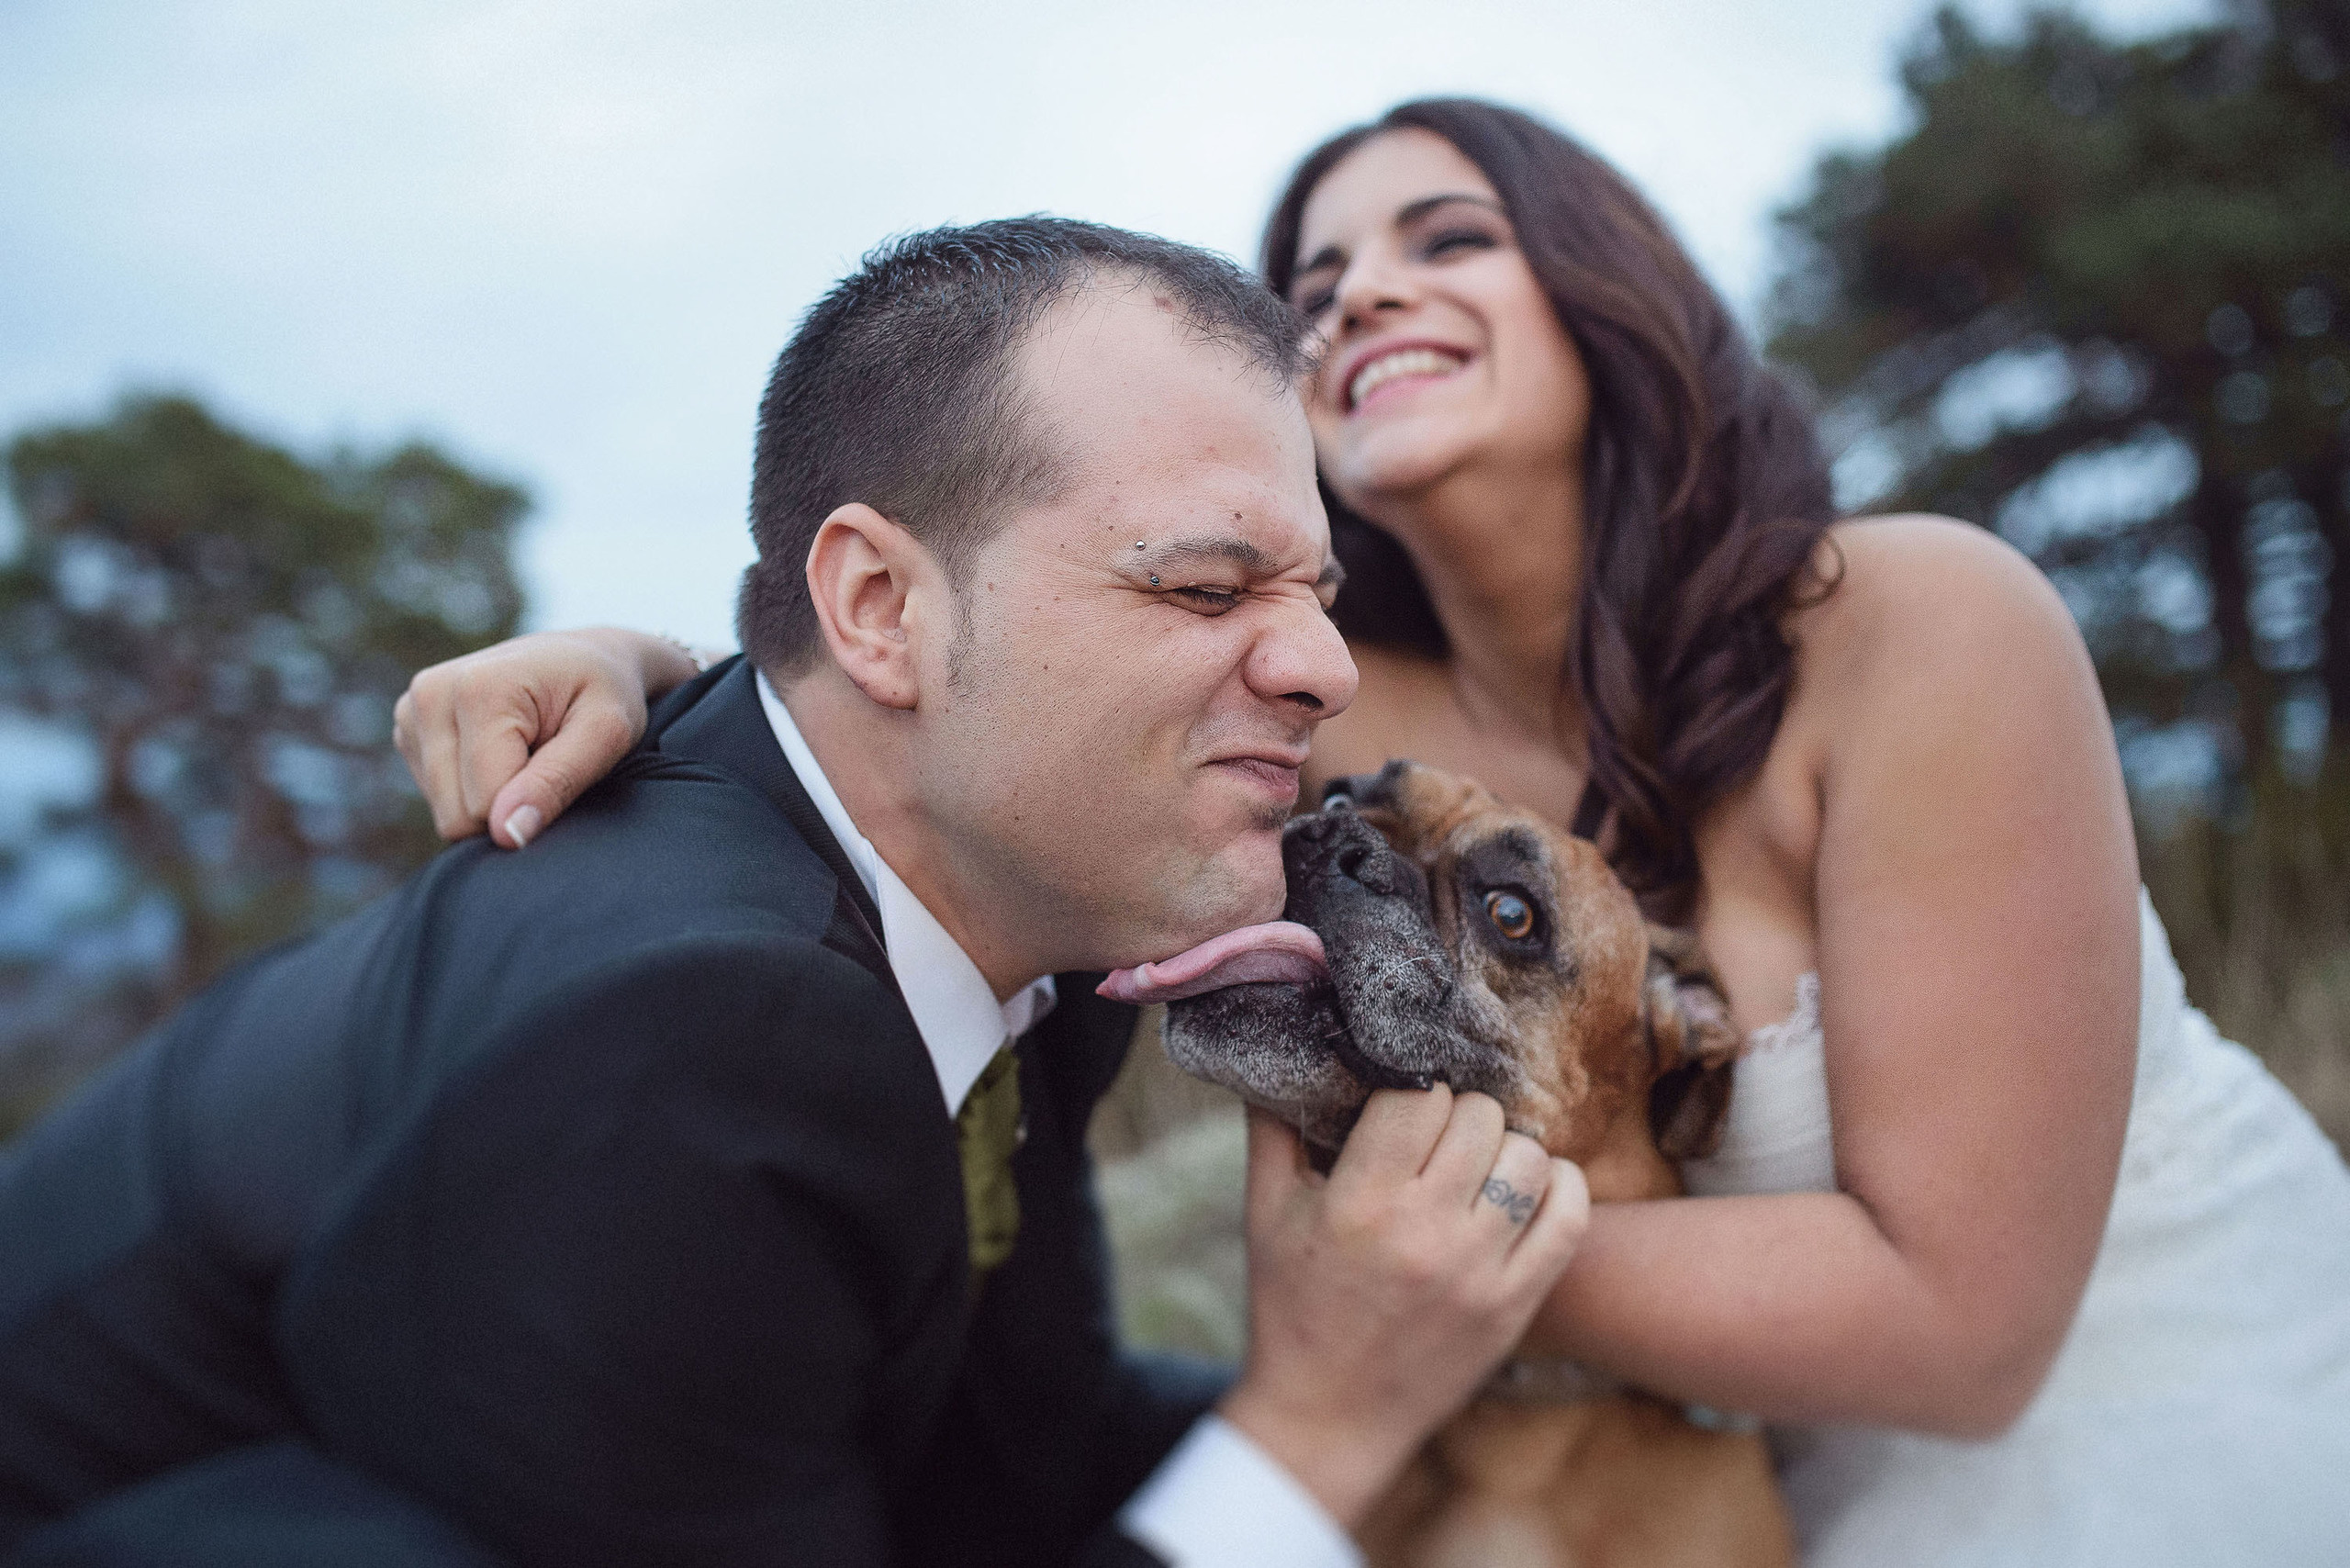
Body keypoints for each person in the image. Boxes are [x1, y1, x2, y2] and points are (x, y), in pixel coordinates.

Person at [408, 101, 2350, 1565]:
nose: (1359, 297)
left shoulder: (1916, 617)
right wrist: (638, 657)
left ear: (1612, 286)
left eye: (1446, 235)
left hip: (2141, 1420)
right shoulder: (1345, 716)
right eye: (1313, 286)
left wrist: (1371, 1294)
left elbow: (1961, 1330)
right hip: (1675, 1476)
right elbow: (946, 671)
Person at [0, 218, 1593, 1568]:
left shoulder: (1009, 904)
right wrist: (1322, 1426)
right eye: (1202, 584)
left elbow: (1008, 1452)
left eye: (1313, 592)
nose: (1321, 669)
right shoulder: (691, 1032)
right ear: (880, 608)